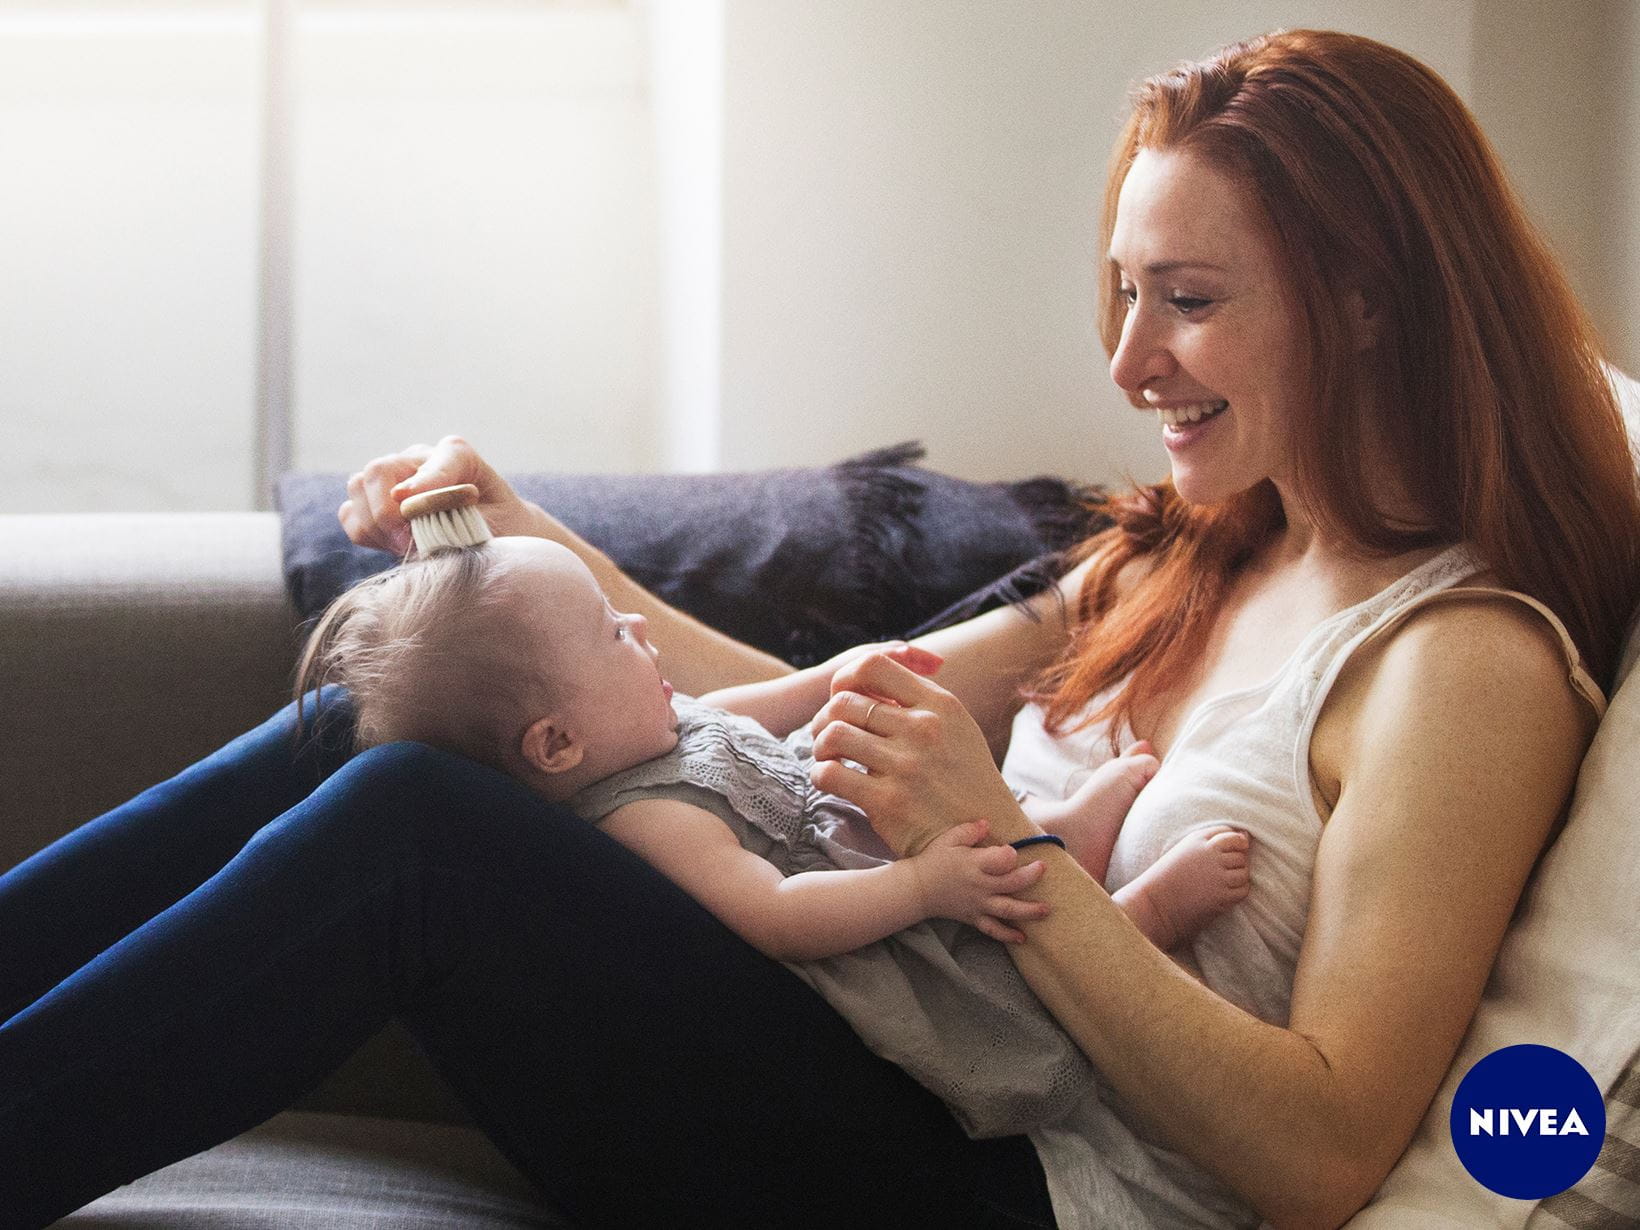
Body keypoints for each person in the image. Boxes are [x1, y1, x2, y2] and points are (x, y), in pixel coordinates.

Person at [3, 26, 1637, 1230]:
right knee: (373, 715)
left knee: (416, 823)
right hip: (879, 1045)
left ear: (1369, 300)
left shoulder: (1459, 666)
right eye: (1126, 291)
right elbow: (781, 710)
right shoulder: (1202, 549)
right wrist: (535, 540)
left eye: (1192, 300)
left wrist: (1008, 852)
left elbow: (1326, 1152)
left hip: (1004, 1187)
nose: (1130, 359)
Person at [292, 534, 1251, 1137]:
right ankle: (1140, 916)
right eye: (607, 633)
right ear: (556, 743)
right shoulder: (643, 815)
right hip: (882, 931)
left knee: (983, 832)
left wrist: (828, 676)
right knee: (995, 954)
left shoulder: (651, 724)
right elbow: (780, 911)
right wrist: (922, 891)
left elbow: (738, 705)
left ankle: (1064, 833)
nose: (634, 624)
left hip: (860, 842)